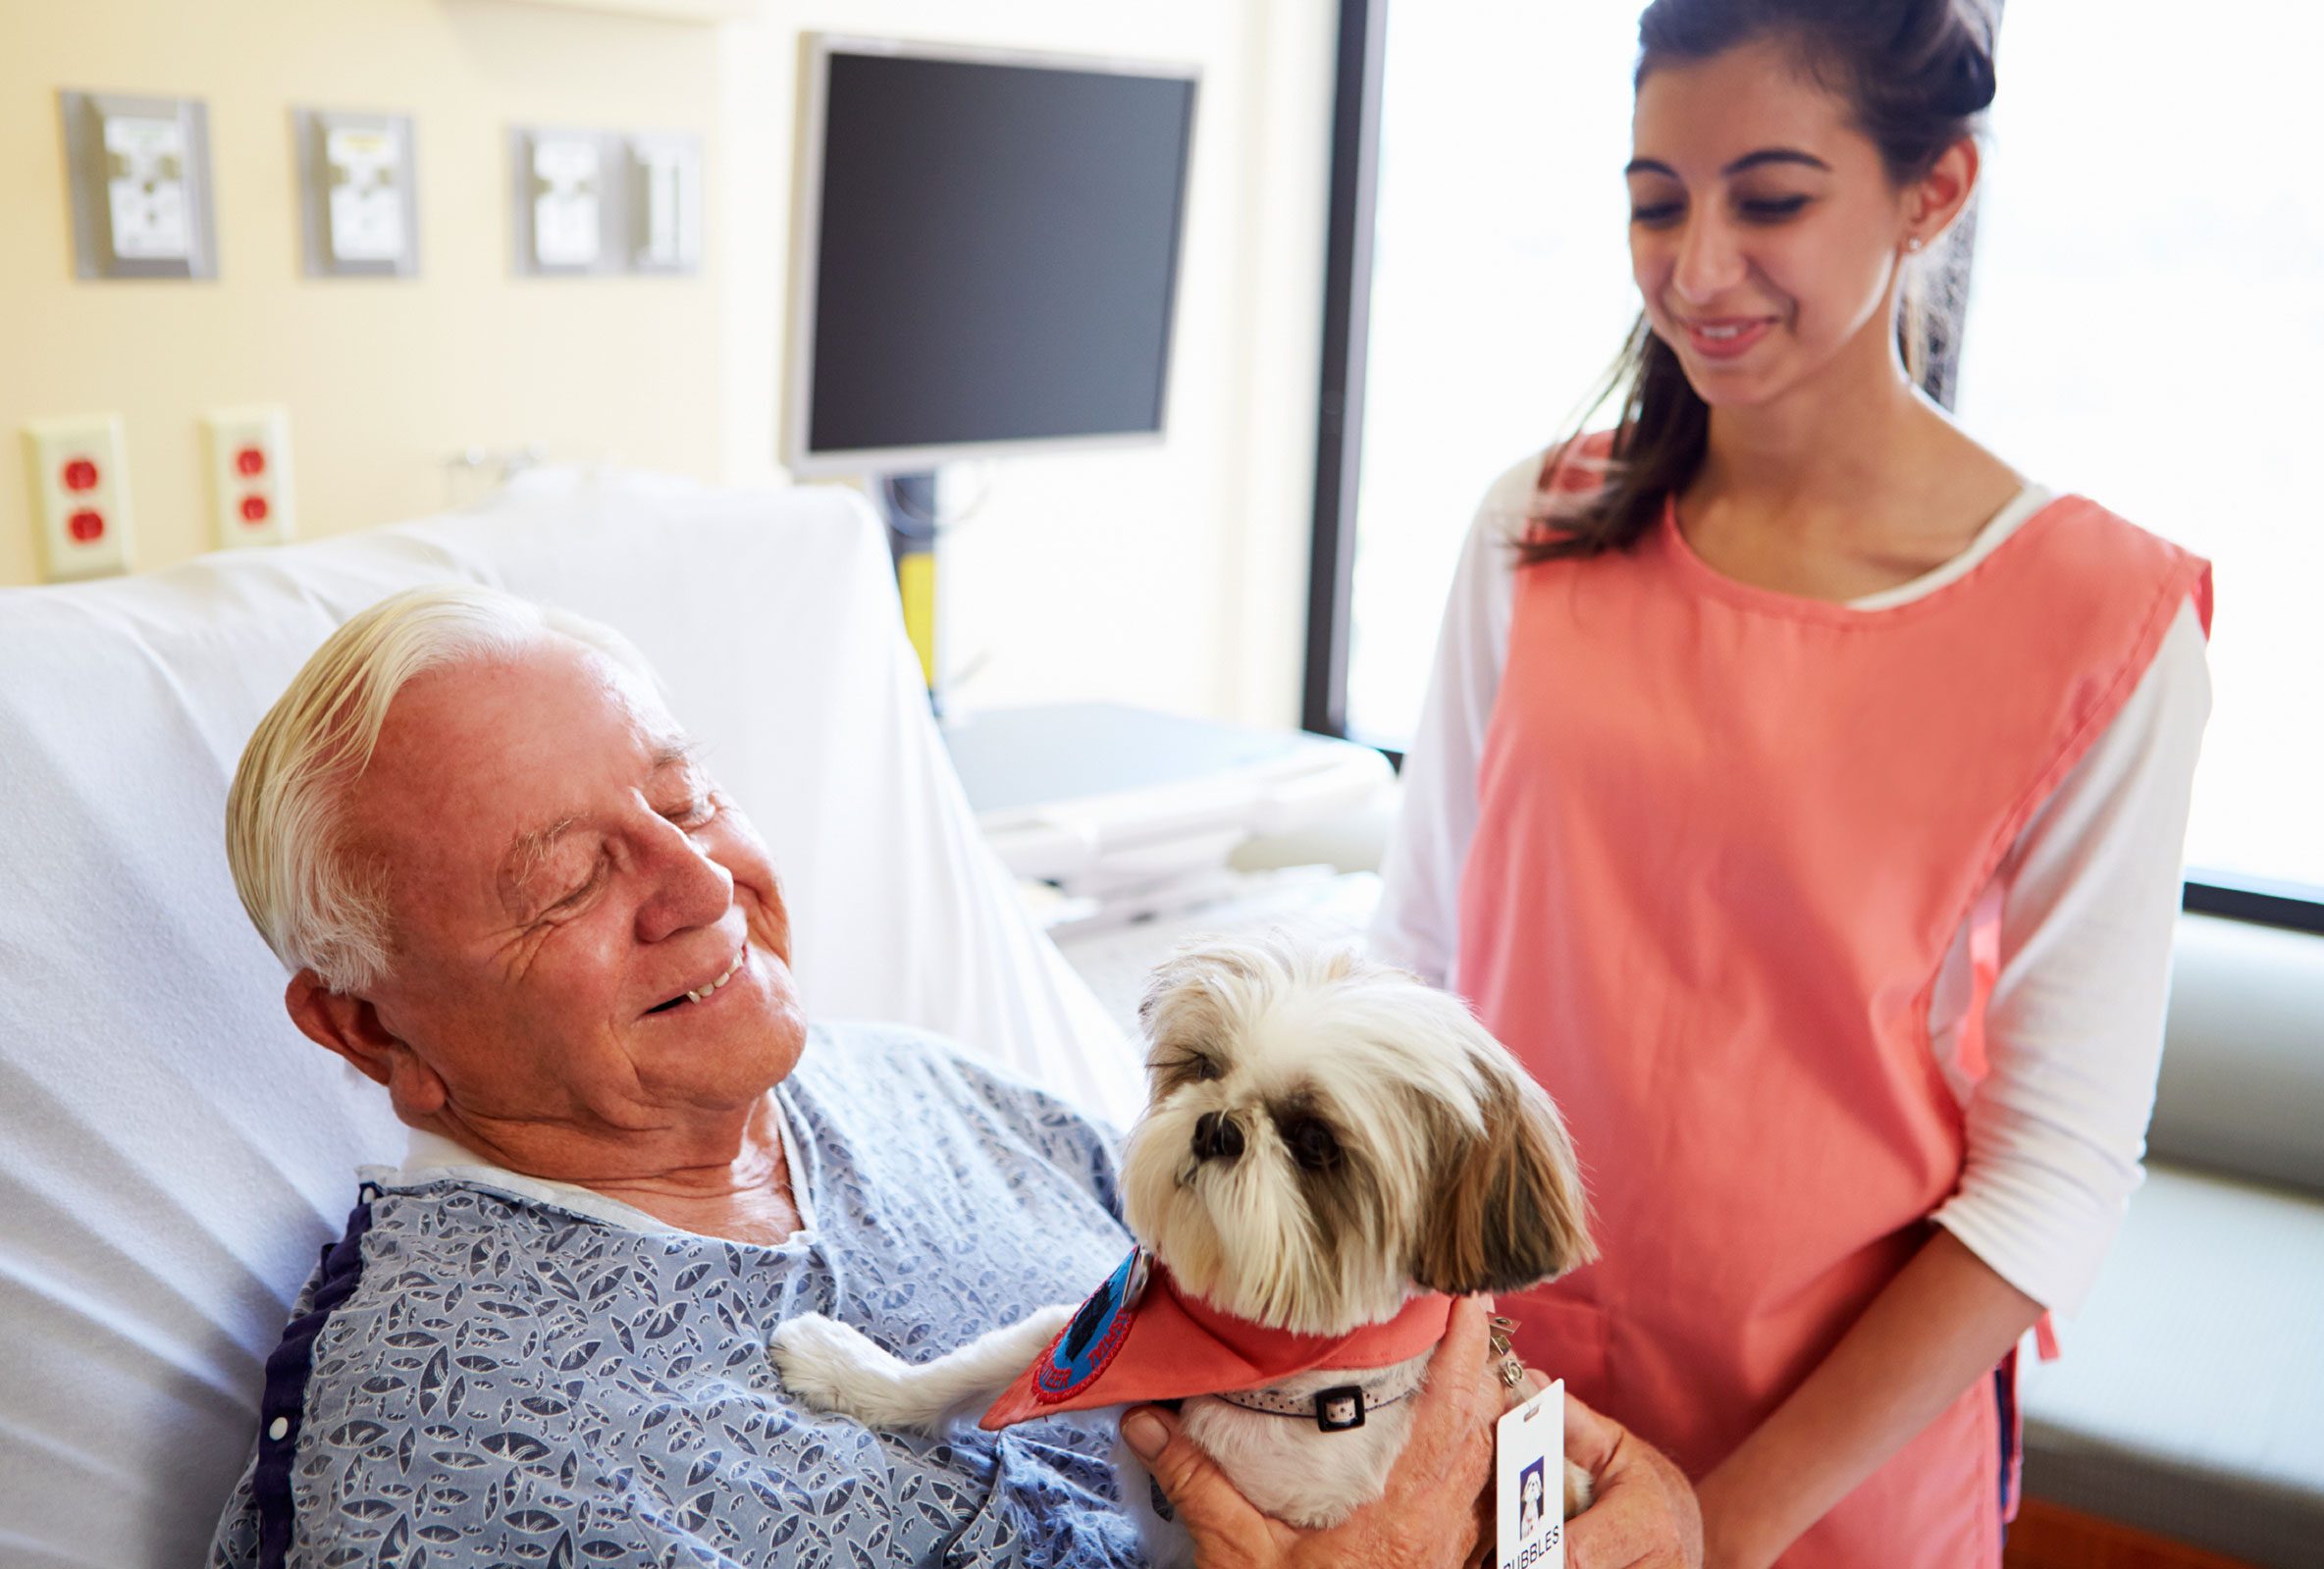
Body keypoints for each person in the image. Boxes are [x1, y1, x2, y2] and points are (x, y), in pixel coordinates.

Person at [205, 584, 1701, 1568]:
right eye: (569, 881)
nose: (700, 885)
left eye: (685, 797)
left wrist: (1655, 1525)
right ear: (373, 1034)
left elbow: (1593, 1475)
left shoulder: (949, 1099)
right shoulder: (447, 1455)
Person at [1369, 4, 2212, 1569]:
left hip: (1833, 1483)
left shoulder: (2103, 627)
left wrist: (1716, 1527)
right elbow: (1414, 970)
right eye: (1655, 200)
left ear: (1933, 190)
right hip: (1495, 1420)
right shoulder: (1534, 533)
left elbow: (2056, 1174)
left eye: (1770, 200)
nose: (1696, 269)